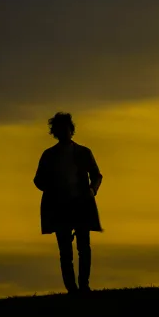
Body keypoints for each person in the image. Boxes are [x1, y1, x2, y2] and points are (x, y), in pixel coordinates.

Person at [33, 112, 103, 295]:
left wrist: (91, 190)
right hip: (59, 207)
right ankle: (72, 288)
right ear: (55, 132)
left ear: (71, 130)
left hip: (81, 204)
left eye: (66, 129)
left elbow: (96, 175)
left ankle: (83, 286)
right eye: (60, 129)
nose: (64, 132)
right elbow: (38, 180)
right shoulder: (49, 155)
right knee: (65, 250)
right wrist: (53, 189)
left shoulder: (84, 152)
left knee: (83, 247)